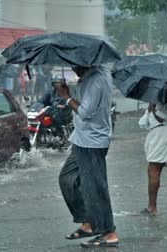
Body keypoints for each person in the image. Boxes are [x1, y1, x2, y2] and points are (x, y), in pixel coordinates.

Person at [55, 66, 119, 247]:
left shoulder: (96, 80)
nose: (73, 68)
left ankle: (108, 232)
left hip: (92, 142)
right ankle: (90, 222)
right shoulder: (91, 76)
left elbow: (85, 112)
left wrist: (66, 96)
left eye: (75, 65)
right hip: (81, 140)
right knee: (67, 179)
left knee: (95, 189)